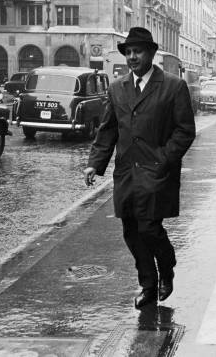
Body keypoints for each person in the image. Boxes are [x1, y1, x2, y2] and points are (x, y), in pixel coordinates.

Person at [84, 27, 196, 309]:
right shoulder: (117, 87)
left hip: (157, 172)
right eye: (129, 52)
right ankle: (148, 284)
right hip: (126, 173)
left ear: (151, 54)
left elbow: (185, 130)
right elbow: (108, 130)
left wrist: (165, 158)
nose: (133, 57)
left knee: (150, 228)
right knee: (131, 232)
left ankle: (166, 267)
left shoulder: (172, 86)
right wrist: (94, 165)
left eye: (138, 51)